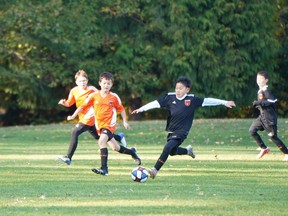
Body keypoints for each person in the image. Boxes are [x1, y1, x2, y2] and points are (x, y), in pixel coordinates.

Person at [131, 76, 236, 179]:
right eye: (176, 88)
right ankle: (188, 151)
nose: (178, 90)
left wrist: (224, 102)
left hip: (182, 131)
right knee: (172, 151)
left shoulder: (192, 100)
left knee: (167, 147)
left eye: (180, 88)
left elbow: (208, 100)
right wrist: (141, 109)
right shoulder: (169, 97)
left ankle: (155, 170)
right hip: (172, 130)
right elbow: (155, 103)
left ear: (187, 89)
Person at [68, 72, 141, 176]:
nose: (106, 85)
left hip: (109, 125)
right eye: (104, 83)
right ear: (100, 83)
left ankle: (104, 169)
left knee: (101, 142)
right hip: (99, 126)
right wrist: (73, 116)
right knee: (116, 148)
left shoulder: (114, 97)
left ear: (111, 85)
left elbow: (121, 109)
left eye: (109, 84)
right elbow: (82, 106)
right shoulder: (94, 96)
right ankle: (132, 152)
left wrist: (124, 121)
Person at [57, 70, 127, 165]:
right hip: (83, 117)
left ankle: (68, 157)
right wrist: (64, 103)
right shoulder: (74, 91)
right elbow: (70, 103)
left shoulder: (92, 89)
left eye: (84, 80)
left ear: (87, 80)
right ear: (76, 82)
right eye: (80, 81)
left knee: (75, 132)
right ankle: (119, 138)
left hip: (91, 116)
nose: (82, 83)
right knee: (99, 137)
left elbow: (101, 97)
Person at [249, 70, 288, 161]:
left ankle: (287, 153)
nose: (259, 80)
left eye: (261, 79)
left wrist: (259, 103)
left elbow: (272, 101)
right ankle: (264, 148)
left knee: (273, 137)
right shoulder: (260, 90)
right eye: (258, 78)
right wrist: (259, 104)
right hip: (262, 118)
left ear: (266, 80)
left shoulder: (266, 90)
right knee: (252, 130)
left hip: (270, 118)